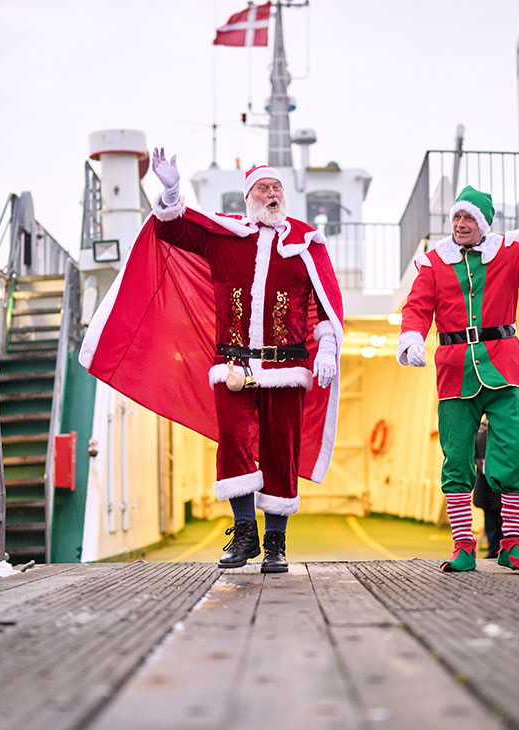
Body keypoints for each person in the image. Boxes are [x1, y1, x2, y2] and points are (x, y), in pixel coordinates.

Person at [80, 149, 344, 574]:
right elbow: (173, 231)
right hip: (234, 368)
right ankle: (244, 533)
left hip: (287, 367)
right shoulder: (224, 236)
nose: (273, 193)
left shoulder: (306, 242)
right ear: (249, 197)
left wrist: (328, 347)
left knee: (281, 452)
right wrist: (170, 191)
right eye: (264, 187)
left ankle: (275, 542)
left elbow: (327, 303)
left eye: (277, 187)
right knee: (234, 445)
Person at [398, 176, 519, 571]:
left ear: (483, 223)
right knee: (456, 459)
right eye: (456, 216)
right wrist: (411, 339)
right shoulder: (433, 262)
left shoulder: (509, 253)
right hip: (454, 370)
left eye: (468, 218)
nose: (460, 223)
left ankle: (511, 544)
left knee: (513, 454)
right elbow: (417, 307)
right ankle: (463, 547)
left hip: (504, 367)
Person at [472, 419, 503, 558]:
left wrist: (481, 462)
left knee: (491, 518)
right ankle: (500, 549)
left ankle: (494, 549)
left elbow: (473, 455)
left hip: (486, 481)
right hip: (496, 480)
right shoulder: (500, 427)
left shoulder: (478, 430)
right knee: (499, 517)